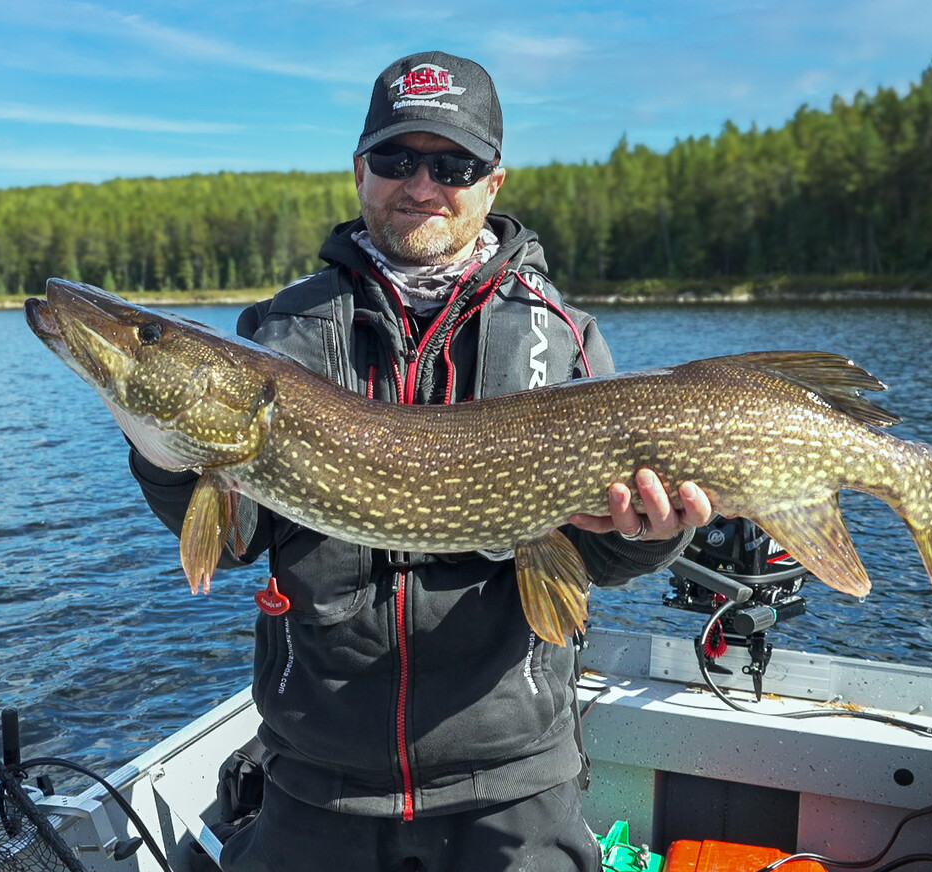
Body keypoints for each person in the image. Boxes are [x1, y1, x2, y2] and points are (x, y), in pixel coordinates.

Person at [129, 51, 712, 872]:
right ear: (360, 171)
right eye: (397, 159)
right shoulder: (280, 330)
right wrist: (163, 449)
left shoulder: (565, 337)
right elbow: (236, 535)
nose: (422, 184)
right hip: (318, 774)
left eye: (454, 164)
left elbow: (597, 555)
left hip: (514, 780)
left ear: (493, 184)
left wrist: (651, 535)